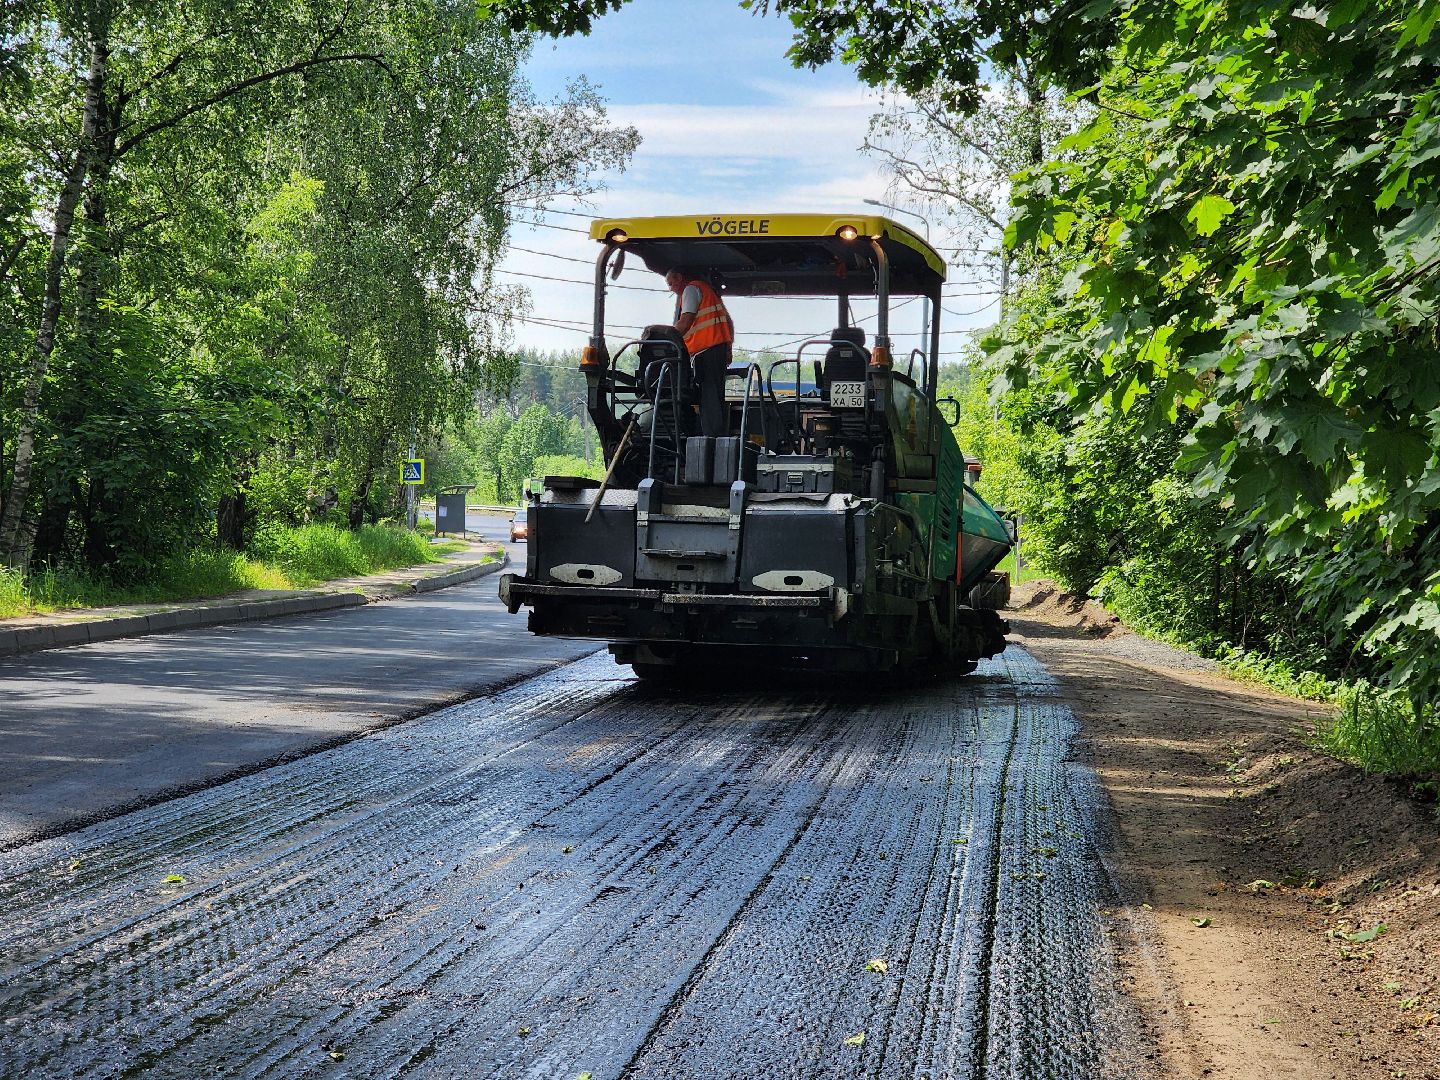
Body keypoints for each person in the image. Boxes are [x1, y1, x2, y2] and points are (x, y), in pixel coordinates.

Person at [665, 267, 733, 438]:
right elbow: (729, 323)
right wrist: (728, 347)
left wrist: (666, 338)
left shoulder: (691, 289)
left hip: (707, 351)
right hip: (716, 349)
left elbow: (686, 321)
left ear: (680, 277)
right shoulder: (707, 292)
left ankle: (711, 440)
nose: (670, 288)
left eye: (671, 283)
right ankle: (712, 436)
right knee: (713, 397)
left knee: (709, 397)